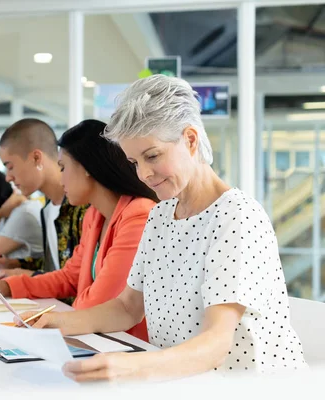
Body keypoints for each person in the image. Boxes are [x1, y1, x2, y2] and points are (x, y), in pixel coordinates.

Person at [17, 75, 307, 381]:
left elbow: (216, 344)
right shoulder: (161, 215)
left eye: (152, 156)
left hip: (252, 387)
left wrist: (130, 366)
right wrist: (54, 322)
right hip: (185, 382)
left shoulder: (236, 216)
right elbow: (128, 308)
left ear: (191, 140)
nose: (143, 174)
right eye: (134, 162)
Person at [0, 120, 158, 340]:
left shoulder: (139, 215)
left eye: (63, 167)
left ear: (88, 168)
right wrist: (9, 287)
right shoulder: (94, 215)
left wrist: (58, 316)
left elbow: (98, 301)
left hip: (128, 345)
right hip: (100, 338)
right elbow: (70, 277)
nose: (61, 178)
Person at [0, 118, 88, 276]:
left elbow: (77, 277)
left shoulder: (82, 206)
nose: (8, 178)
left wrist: (27, 276)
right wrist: (14, 264)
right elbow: (58, 264)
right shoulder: (48, 207)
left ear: (36, 158)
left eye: (11, 167)